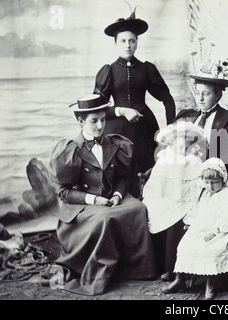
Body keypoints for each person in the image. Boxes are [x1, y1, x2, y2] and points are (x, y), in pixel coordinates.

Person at [47, 94, 157, 295]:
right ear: (81, 122)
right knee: (106, 218)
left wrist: (116, 194)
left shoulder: (114, 143)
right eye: (94, 121)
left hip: (109, 199)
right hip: (80, 206)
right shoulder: (70, 150)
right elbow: (63, 192)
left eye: (103, 119)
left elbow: (121, 178)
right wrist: (93, 199)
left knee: (139, 208)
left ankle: (138, 269)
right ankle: (102, 273)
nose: (100, 125)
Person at [94, 8, 176, 197]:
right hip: (118, 132)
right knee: (122, 178)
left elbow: (167, 99)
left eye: (132, 41)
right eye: (123, 41)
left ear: (137, 43)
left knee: (150, 175)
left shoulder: (147, 69)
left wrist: (170, 130)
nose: (128, 45)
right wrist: (122, 111)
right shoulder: (109, 71)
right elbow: (98, 109)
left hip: (146, 130)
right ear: (115, 43)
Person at [162, 158, 228, 300]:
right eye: (207, 182)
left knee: (210, 249)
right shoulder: (205, 193)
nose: (210, 186)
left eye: (214, 182)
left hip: (220, 231)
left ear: (223, 179)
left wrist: (215, 231)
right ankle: (180, 279)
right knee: (184, 245)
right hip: (201, 228)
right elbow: (197, 212)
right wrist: (191, 223)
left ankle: (211, 283)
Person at [142, 121, 206, 279]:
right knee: (156, 216)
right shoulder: (165, 160)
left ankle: (176, 269)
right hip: (164, 199)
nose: (183, 151)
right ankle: (159, 265)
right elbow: (155, 186)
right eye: (180, 147)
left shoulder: (193, 161)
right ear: (171, 144)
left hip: (189, 201)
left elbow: (199, 183)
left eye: (186, 147)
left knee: (179, 222)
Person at [173, 57, 228, 178]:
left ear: (218, 95)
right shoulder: (187, 116)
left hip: (213, 177)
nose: (200, 99)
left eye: (206, 94)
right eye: (198, 93)